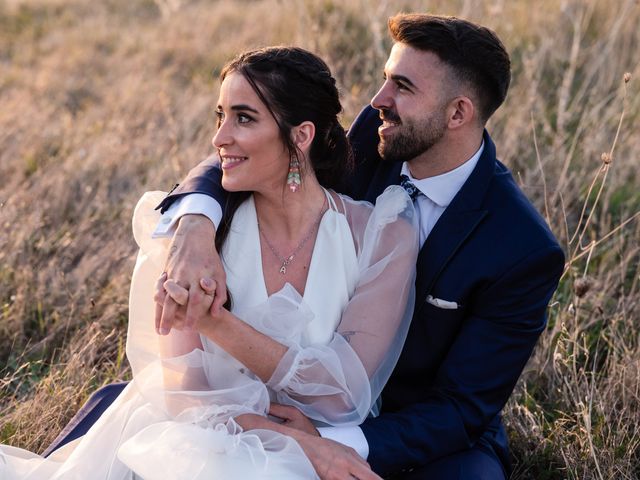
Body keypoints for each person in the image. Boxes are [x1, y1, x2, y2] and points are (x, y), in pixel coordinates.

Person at [151, 13, 566, 480]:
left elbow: (460, 408)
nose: (377, 100)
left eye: (402, 87)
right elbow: (264, 154)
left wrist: (328, 441)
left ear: (458, 113)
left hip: (406, 426)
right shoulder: (379, 131)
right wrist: (195, 223)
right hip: (278, 397)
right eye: (385, 80)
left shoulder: (522, 247)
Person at [0, 47, 418, 479]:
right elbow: (185, 396)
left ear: (302, 135)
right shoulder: (195, 238)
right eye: (220, 116)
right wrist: (294, 443)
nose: (219, 138)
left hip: (323, 452)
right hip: (197, 442)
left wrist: (215, 322)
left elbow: (343, 395)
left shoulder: (379, 234)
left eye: (243, 118)